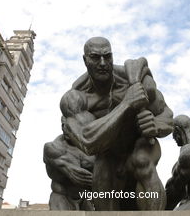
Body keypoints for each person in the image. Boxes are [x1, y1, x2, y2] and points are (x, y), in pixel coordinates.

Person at [60, 37, 173, 210]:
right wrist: (126, 104)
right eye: (95, 57)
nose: (103, 63)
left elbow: (167, 115)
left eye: (107, 56)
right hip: (108, 153)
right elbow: (88, 141)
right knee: (103, 168)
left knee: (141, 158)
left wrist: (155, 124)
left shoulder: (133, 80)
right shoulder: (76, 97)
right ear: (85, 60)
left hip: (139, 145)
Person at [43, 117, 95, 210]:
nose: (67, 130)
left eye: (73, 127)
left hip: (84, 198)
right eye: (65, 126)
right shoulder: (53, 148)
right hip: (61, 196)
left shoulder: (89, 151)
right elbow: (77, 175)